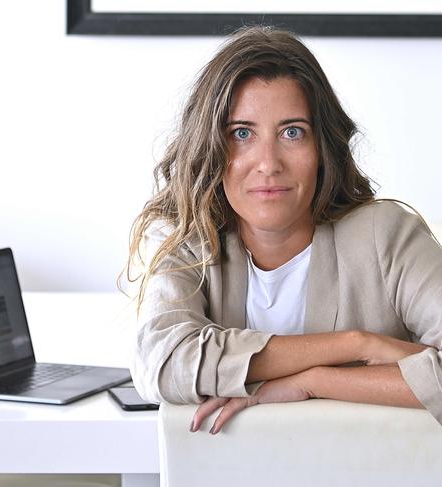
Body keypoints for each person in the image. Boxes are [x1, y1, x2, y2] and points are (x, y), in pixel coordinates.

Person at [125, 26, 442, 433]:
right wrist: (355, 345)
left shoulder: (388, 235)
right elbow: (162, 363)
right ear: (211, 147)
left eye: (292, 132)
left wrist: (315, 381)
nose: (268, 163)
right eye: (242, 134)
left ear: (322, 149)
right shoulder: (184, 238)